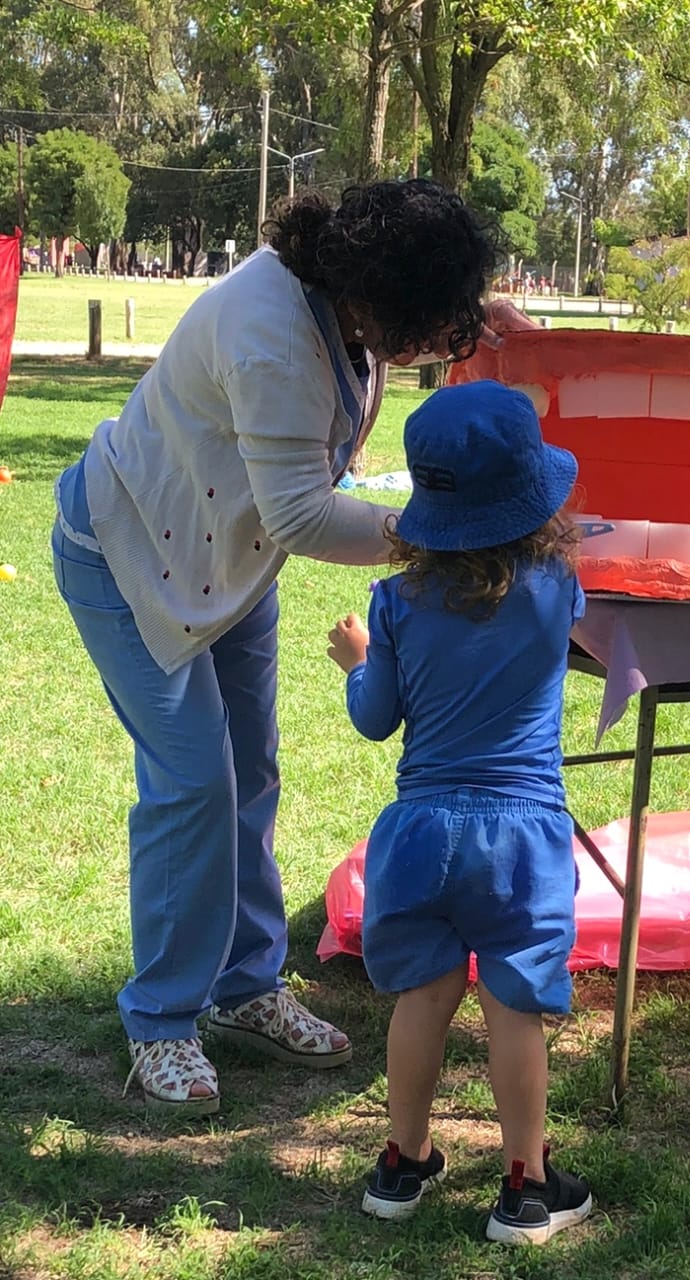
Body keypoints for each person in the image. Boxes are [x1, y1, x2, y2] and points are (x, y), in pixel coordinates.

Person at [51, 178, 526, 1117]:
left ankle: (243, 983)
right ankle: (160, 1020)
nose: (432, 344)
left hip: (226, 559)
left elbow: (294, 488)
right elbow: (304, 514)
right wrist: (443, 532)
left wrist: (472, 315)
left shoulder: (341, 296)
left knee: (252, 771)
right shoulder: (270, 335)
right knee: (193, 783)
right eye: (426, 324)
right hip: (129, 553)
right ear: (374, 297)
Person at [326, 379, 593, 1246]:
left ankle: (403, 1163)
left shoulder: (396, 602)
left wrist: (358, 662)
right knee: (514, 1010)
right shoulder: (556, 588)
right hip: (523, 837)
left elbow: (376, 719)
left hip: (420, 838)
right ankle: (525, 1184)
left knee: (425, 996)